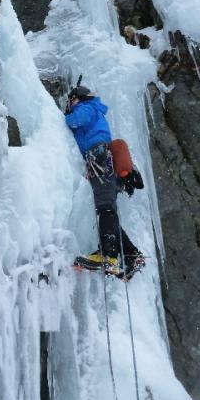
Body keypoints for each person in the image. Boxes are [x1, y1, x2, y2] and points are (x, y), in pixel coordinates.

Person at [64, 83, 145, 280]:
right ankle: (132, 255)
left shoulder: (87, 107)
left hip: (99, 159)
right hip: (107, 165)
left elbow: (75, 120)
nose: (71, 103)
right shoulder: (95, 111)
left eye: (72, 100)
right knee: (109, 211)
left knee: (105, 209)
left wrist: (62, 116)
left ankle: (109, 256)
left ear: (80, 98)